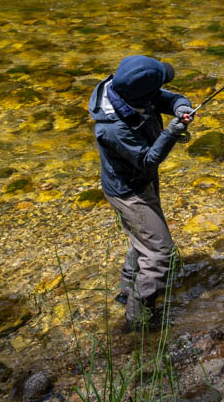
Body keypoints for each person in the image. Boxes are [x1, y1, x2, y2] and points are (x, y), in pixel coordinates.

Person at [87, 55, 194, 329]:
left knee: (144, 241)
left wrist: (181, 107)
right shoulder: (112, 129)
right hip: (128, 191)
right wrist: (171, 133)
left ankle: (127, 291)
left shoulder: (125, 90)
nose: (160, 88)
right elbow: (147, 159)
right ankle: (139, 319)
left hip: (139, 181)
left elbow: (167, 98)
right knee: (160, 253)